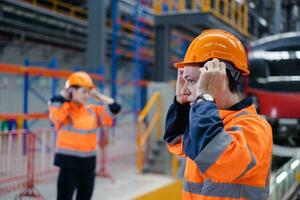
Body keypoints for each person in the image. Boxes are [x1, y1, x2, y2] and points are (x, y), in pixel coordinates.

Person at [164, 29, 272, 199]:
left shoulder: (255, 128)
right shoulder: (209, 119)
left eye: (191, 81)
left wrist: (204, 96)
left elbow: (219, 161)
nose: (185, 89)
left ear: (220, 77)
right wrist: (181, 103)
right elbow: (175, 142)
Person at [48, 71, 121, 200]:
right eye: (84, 92)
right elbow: (54, 106)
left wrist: (97, 95)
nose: (87, 96)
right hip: (68, 166)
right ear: (72, 91)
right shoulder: (64, 110)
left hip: (88, 167)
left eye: (88, 92)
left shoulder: (92, 111)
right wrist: (65, 94)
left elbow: (115, 107)